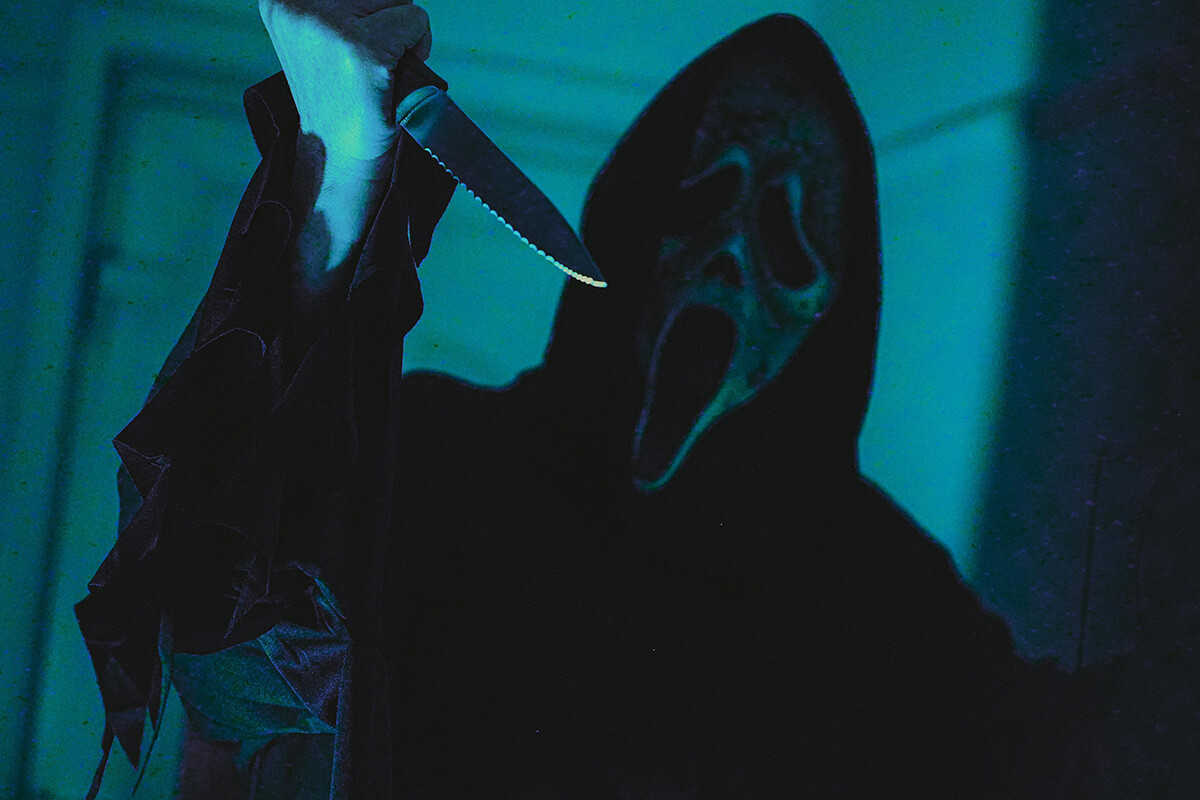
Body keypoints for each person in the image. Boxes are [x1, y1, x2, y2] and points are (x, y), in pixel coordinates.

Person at [77, 2, 1105, 797]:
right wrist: (335, 173)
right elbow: (232, 594)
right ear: (637, 210)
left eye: (786, 237)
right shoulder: (444, 460)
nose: (728, 265)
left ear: (838, 302)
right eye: (703, 199)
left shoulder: (889, 594)